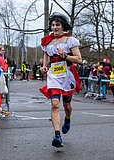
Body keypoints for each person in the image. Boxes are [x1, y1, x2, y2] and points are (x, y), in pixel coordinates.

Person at [39, 12, 82, 148]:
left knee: (66, 105)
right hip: (53, 75)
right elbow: (46, 54)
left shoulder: (70, 40)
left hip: (67, 74)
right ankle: (57, 135)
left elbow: (79, 60)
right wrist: (44, 66)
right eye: (52, 25)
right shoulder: (47, 41)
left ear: (63, 26)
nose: (55, 27)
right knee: (55, 104)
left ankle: (67, 119)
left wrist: (65, 56)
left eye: (57, 25)